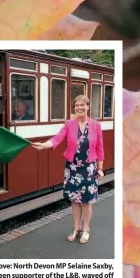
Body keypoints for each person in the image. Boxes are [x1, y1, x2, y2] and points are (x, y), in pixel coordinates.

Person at [31, 95, 104, 245]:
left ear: (88, 107)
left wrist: (101, 168)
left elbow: (100, 149)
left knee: (86, 201)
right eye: (76, 105)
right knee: (75, 200)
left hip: (89, 168)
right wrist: (44, 145)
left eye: (82, 105)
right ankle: (76, 228)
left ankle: (86, 229)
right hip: (72, 168)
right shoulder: (69, 124)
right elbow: (57, 138)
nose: (79, 108)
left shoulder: (95, 125)